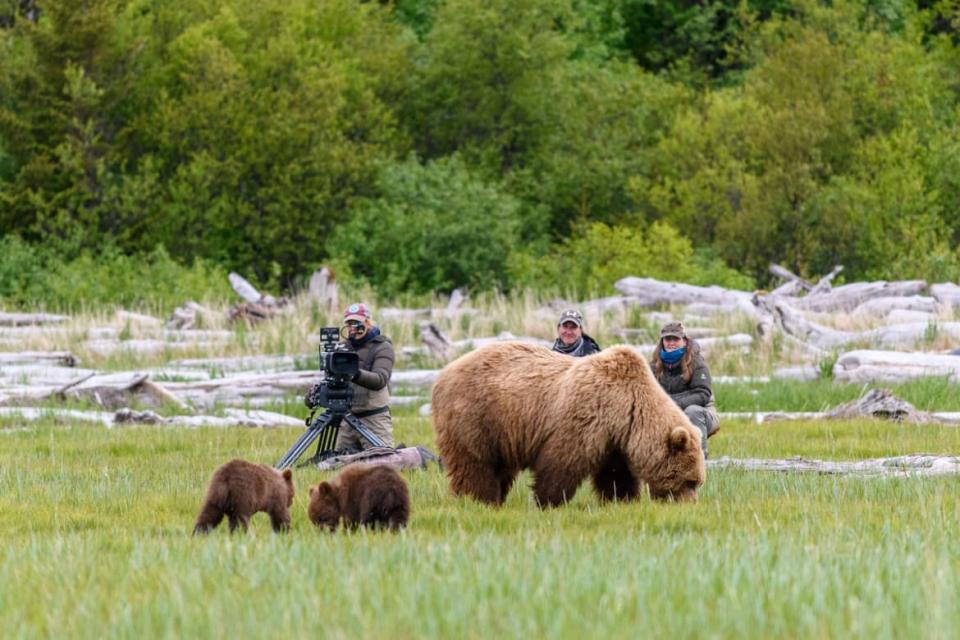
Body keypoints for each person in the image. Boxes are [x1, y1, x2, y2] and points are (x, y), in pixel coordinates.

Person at [650, 321, 720, 457]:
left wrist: (671, 404)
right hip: (668, 414)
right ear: (662, 341)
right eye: (667, 339)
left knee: (692, 412)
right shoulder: (654, 365)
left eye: (675, 339)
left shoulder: (697, 362)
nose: (671, 342)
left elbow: (703, 394)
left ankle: (699, 458)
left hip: (702, 415)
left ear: (684, 341)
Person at [336, 302, 395, 451]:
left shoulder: (382, 347)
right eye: (349, 323)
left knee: (382, 462)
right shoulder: (343, 348)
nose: (352, 328)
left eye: (356, 323)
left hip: (374, 418)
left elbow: (380, 379)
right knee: (337, 463)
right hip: (347, 419)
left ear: (368, 322)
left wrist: (354, 373)